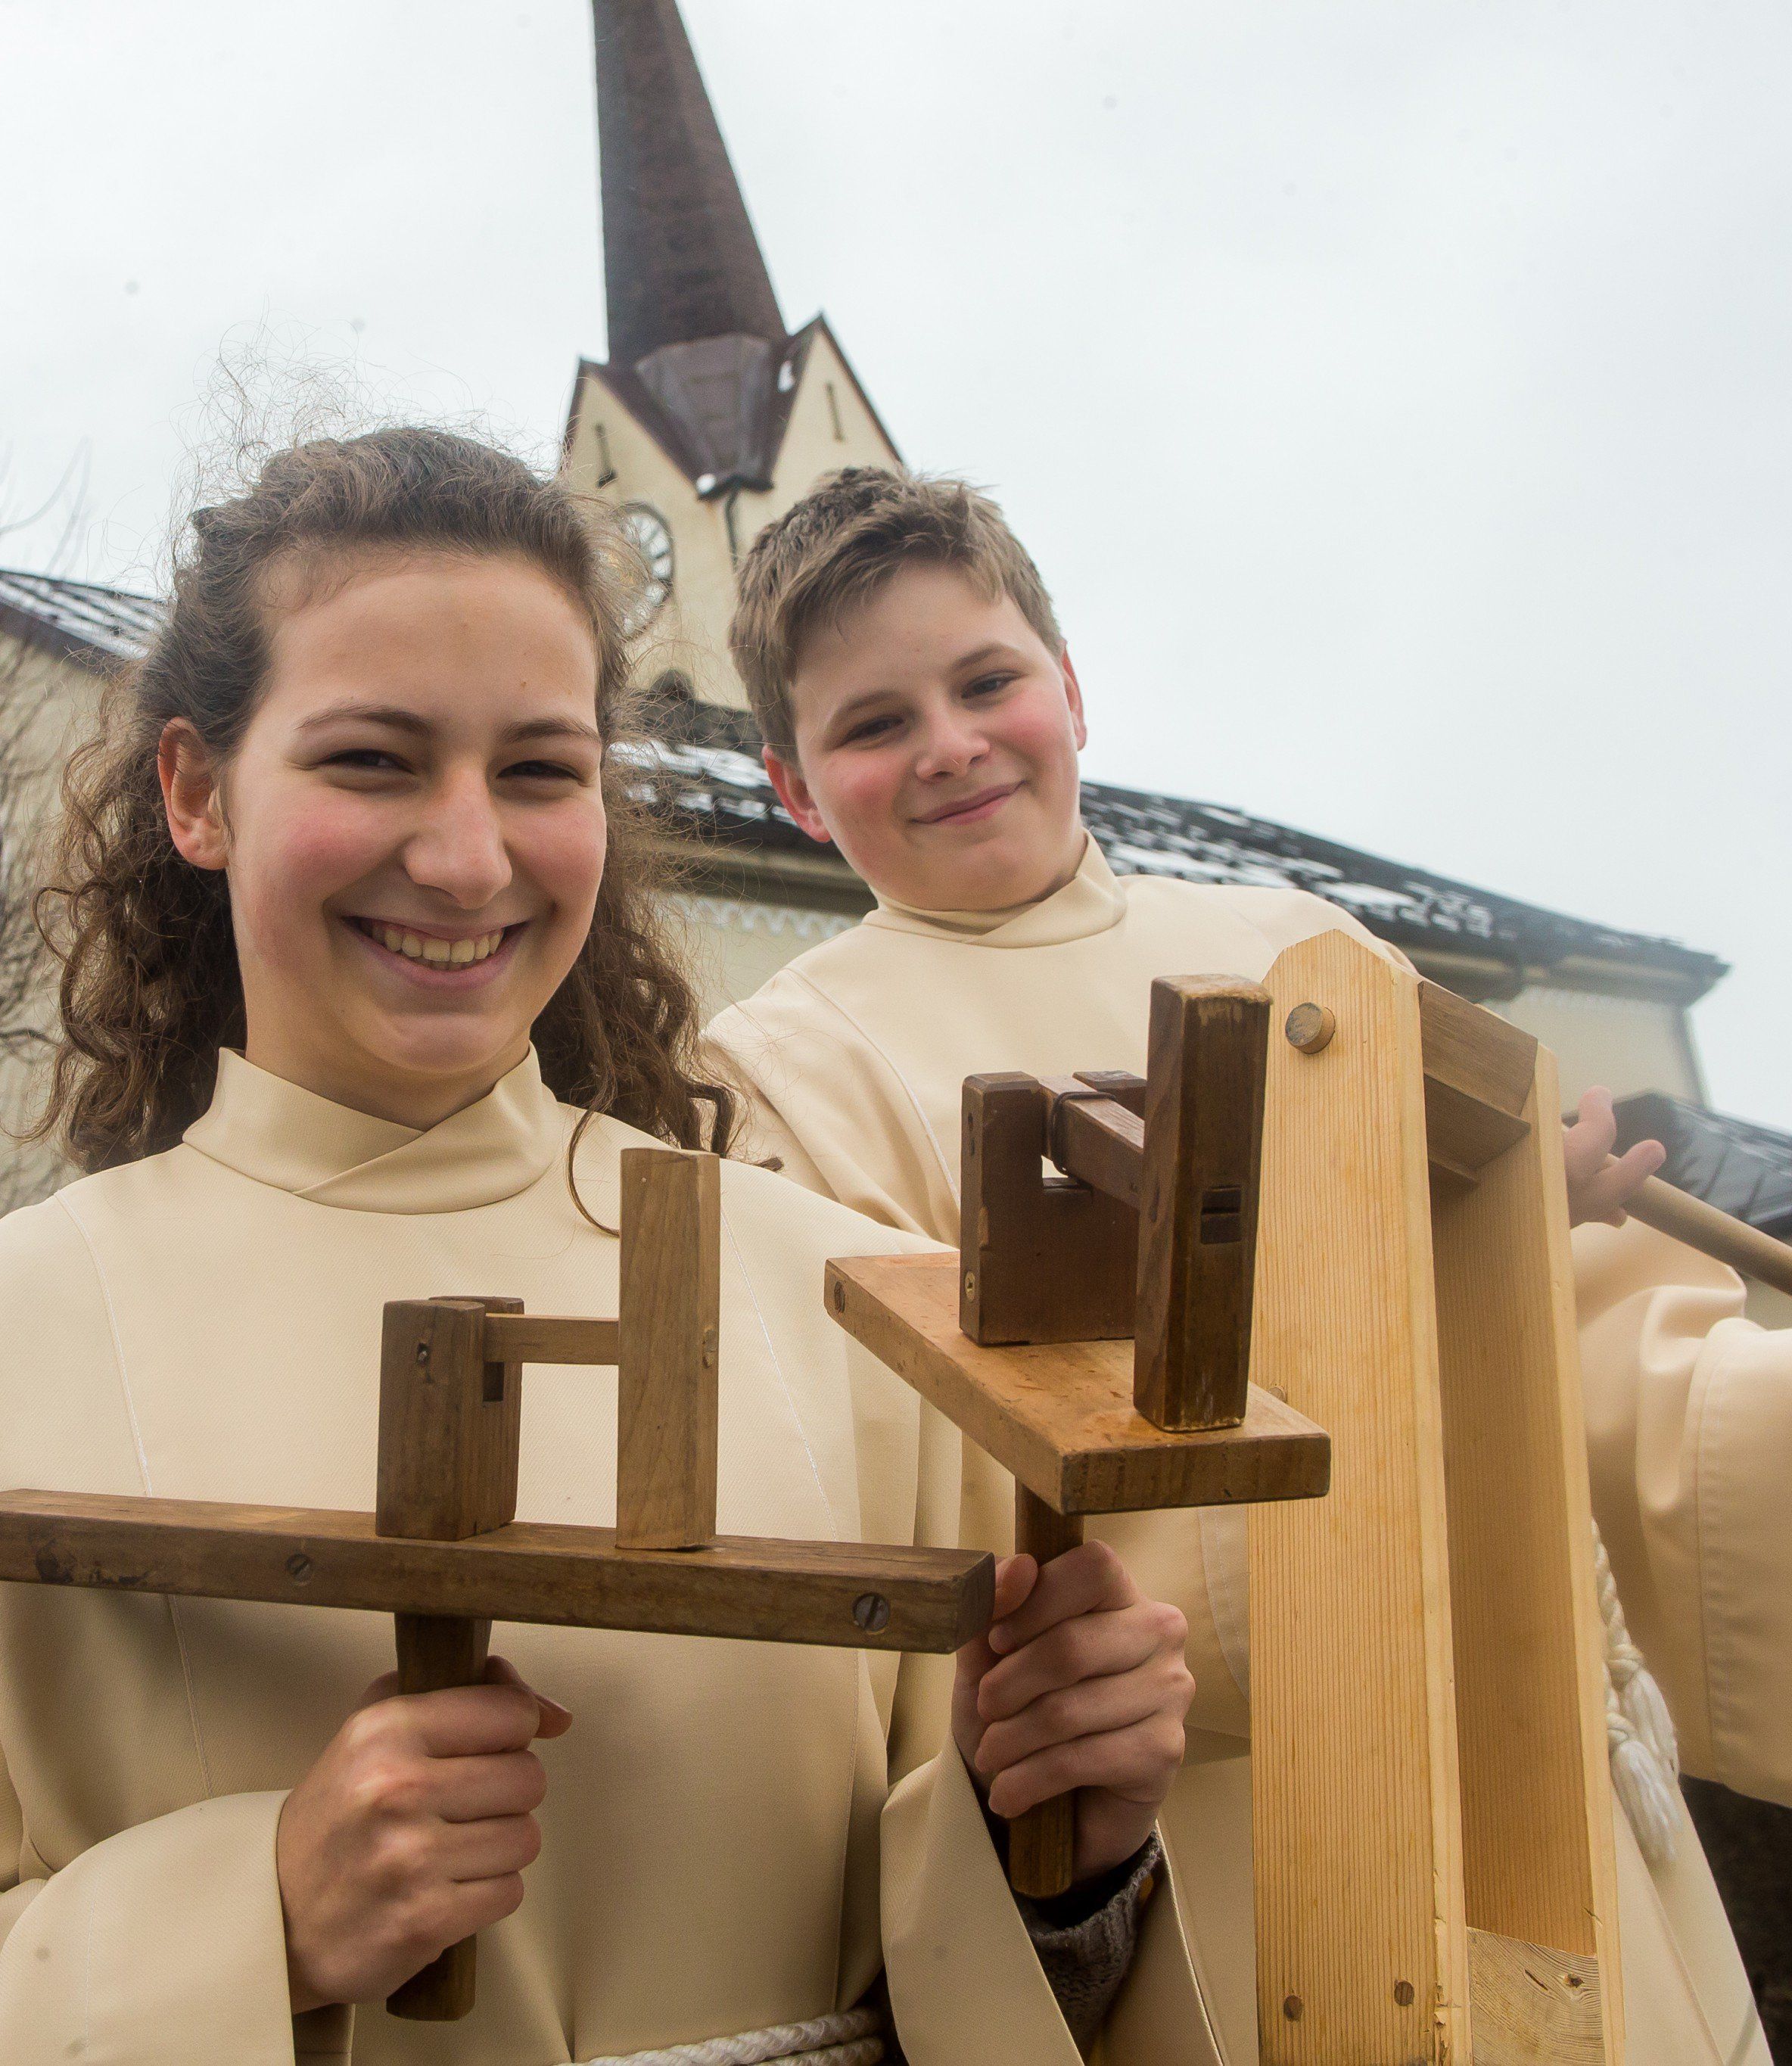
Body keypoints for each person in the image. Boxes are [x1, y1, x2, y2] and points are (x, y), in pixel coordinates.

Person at [0, 429, 1201, 2066]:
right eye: (373, 762)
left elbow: (1007, 1971)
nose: (468, 859)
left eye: (539, 771)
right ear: (194, 792)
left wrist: (1061, 1858)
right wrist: (245, 1929)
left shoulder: (864, 1319)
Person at [701, 465, 1784, 2066]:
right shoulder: (783, 1071)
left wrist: (1508, 1244)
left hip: (1512, 1764)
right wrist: (1399, 1266)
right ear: (797, 791)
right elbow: (904, 1461)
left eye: (988, 681)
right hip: (1196, 1843)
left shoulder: (1302, 950)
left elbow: (1592, 1365)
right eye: (871, 725)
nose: (949, 745)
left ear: (1068, 690)